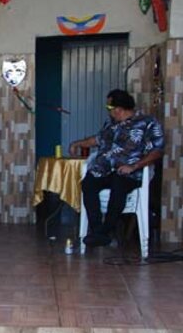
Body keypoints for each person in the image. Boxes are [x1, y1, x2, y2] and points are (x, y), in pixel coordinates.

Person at [70, 89, 164, 247]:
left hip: (130, 172)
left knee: (118, 183)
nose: (109, 111)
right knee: (88, 183)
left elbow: (158, 150)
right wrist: (77, 143)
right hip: (105, 170)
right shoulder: (110, 124)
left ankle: (106, 230)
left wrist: (134, 166)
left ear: (119, 109)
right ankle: (98, 231)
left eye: (109, 107)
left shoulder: (147, 122)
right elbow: (98, 140)